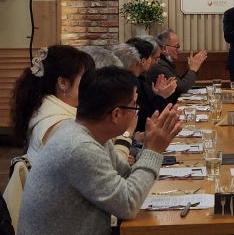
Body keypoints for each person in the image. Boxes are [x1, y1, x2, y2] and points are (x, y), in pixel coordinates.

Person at [17, 66, 184, 235]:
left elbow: (125, 177)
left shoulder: (90, 135)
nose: (137, 113)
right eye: (134, 107)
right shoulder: (79, 147)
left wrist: (149, 145)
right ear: (116, 115)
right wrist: (153, 150)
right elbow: (128, 204)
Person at [9, 45, 95, 165]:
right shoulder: (61, 125)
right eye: (86, 79)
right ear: (63, 83)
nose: (92, 84)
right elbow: (93, 166)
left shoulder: (43, 108)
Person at [146, 29, 207, 102]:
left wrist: (191, 68)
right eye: (176, 47)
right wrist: (193, 70)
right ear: (164, 48)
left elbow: (180, 82)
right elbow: (181, 87)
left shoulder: (166, 61)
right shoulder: (159, 65)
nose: (178, 50)